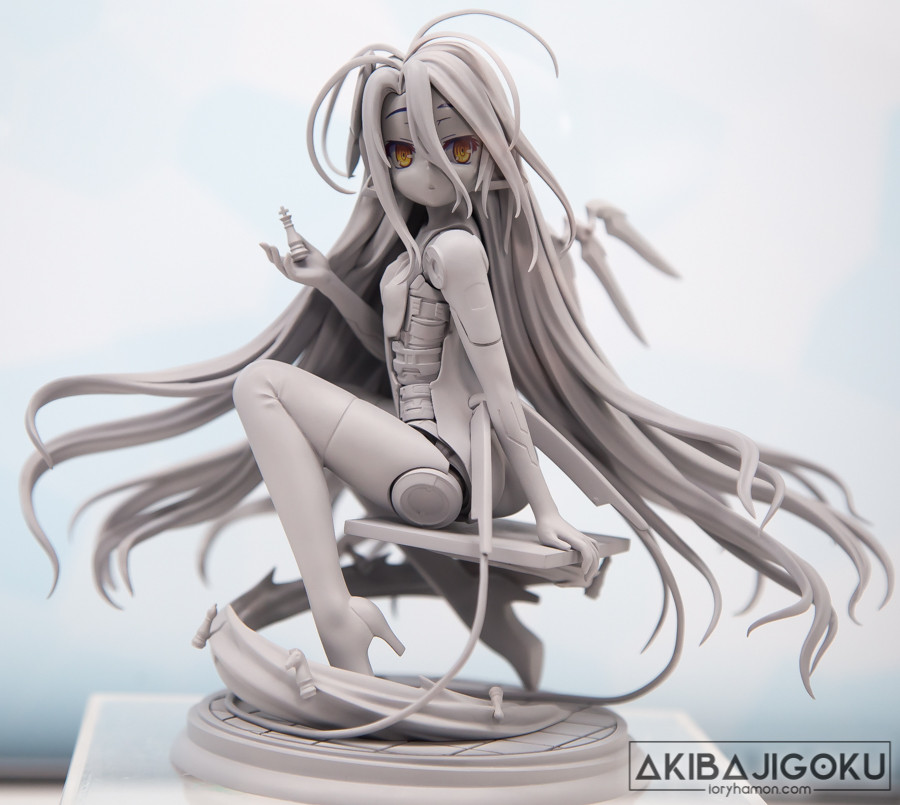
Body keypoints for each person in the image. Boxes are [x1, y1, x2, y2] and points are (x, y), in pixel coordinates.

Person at [21, 12, 891, 700]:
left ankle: (337, 614)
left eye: (455, 147)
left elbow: (502, 389)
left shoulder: (462, 252)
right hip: (418, 454)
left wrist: (546, 512)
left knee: (262, 387)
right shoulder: (419, 252)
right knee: (292, 392)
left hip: (449, 473)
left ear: (488, 150)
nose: (427, 171)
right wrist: (327, 284)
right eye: (403, 152)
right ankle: (502, 636)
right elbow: (394, 355)